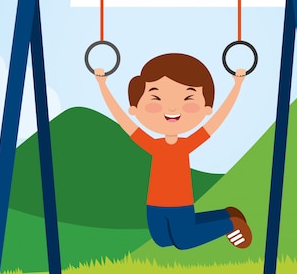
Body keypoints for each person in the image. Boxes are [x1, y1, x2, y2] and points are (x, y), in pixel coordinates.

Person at [94, 52, 252, 250]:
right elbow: (123, 120)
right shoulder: (152, 144)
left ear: (206, 108)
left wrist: (237, 85)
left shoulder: (186, 144)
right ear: (135, 108)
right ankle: (226, 215)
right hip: (154, 205)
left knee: (184, 241)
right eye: (156, 98)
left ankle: (231, 224)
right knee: (163, 241)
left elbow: (218, 120)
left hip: (180, 205)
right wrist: (102, 85)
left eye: (188, 98)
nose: (170, 108)